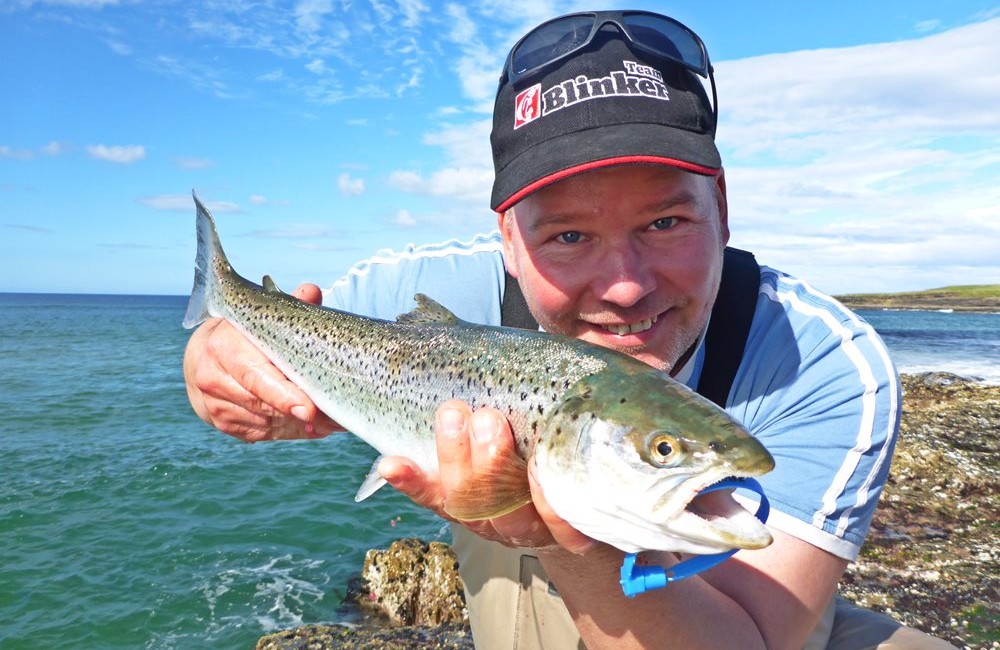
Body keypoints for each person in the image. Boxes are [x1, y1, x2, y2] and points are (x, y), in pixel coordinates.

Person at [184, 11, 955, 650]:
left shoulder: (825, 363)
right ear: (509, 241)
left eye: (664, 220)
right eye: (567, 237)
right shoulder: (433, 281)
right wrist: (216, 354)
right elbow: (249, 341)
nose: (625, 284)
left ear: (722, 207)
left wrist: (560, 539)